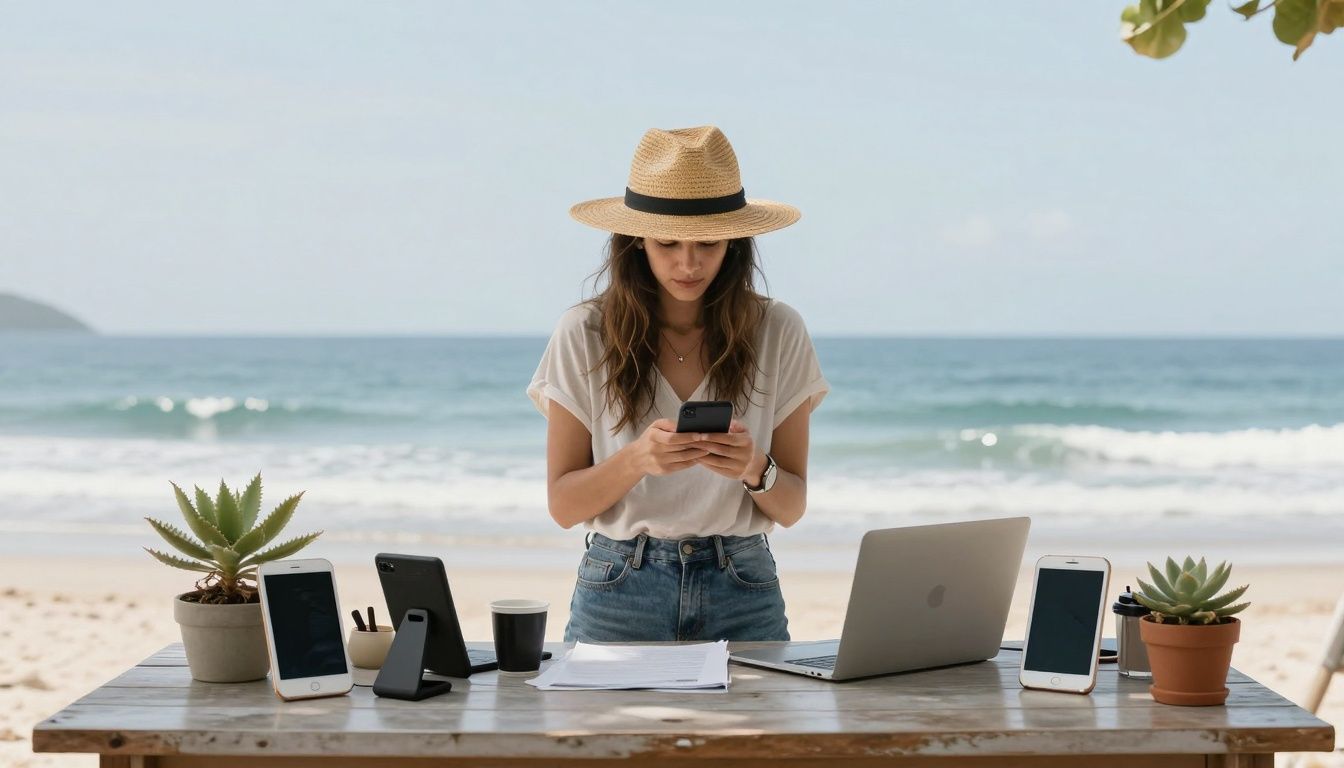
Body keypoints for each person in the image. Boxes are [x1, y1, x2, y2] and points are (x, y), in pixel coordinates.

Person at [527, 125, 829, 642]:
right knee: (601, 727)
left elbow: (792, 506)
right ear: (636, 240)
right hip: (619, 588)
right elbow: (563, 506)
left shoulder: (778, 329)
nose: (687, 263)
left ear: (734, 243)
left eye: (707, 244)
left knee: (763, 727)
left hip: (744, 583)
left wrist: (755, 468)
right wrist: (637, 460)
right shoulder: (584, 332)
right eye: (667, 243)